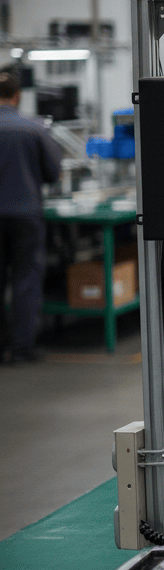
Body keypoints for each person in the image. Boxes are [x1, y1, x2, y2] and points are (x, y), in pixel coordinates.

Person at [0, 72, 63, 363]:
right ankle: (21, 348)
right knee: (26, 279)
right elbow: (52, 172)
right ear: (17, 96)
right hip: (25, 214)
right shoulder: (33, 128)